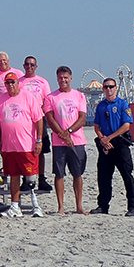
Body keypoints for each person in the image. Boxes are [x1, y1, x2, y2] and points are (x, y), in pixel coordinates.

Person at [0, 71, 45, 218]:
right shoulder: (1, 100)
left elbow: (38, 119)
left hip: (26, 145)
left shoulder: (28, 97)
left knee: (30, 178)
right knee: (14, 176)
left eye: (13, 82)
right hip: (9, 147)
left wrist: (39, 140)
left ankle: (36, 206)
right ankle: (15, 206)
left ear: (18, 83)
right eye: (8, 83)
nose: (10, 85)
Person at [44, 66, 89, 216]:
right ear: (57, 79)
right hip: (59, 142)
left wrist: (69, 133)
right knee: (59, 174)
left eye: (65, 77)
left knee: (77, 174)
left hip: (77, 140)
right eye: (60, 78)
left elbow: (82, 119)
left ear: (70, 78)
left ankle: (79, 206)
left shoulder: (79, 96)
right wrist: (63, 136)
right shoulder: (51, 97)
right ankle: (61, 207)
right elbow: (50, 119)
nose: (63, 80)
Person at [92, 79, 134, 216]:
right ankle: (103, 206)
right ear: (103, 89)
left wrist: (110, 137)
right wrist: (103, 139)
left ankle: (133, 207)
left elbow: (126, 126)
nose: (109, 89)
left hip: (120, 145)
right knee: (103, 177)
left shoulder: (122, 104)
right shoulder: (100, 106)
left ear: (116, 88)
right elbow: (97, 126)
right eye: (106, 87)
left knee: (127, 175)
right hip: (105, 146)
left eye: (111, 87)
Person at [19, 56, 54, 192]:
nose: (29, 66)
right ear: (24, 66)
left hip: (39, 118)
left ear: (36, 66)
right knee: (24, 149)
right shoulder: (20, 82)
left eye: (32, 64)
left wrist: (40, 114)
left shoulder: (42, 82)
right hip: (24, 119)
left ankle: (41, 178)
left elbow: (47, 100)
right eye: (27, 64)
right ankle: (25, 179)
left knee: (41, 149)